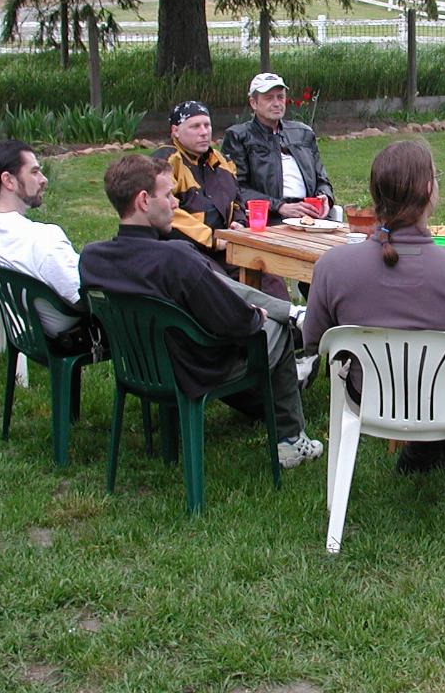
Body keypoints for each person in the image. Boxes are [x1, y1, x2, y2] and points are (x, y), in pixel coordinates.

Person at [79, 154, 322, 468]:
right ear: (143, 201)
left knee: (229, 291)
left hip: (139, 367)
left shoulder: (93, 258)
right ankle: (290, 440)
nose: (176, 205)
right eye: (168, 196)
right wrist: (256, 317)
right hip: (197, 368)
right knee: (275, 329)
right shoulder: (176, 258)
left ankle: (288, 313)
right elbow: (237, 322)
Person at [302, 139, 445, 473]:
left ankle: (425, 452)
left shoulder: (333, 266)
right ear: (430, 190)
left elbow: (313, 341)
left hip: (366, 396)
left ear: (376, 193)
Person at [152, 99, 289, 301]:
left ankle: (289, 325)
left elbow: (236, 199)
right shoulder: (166, 161)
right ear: (175, 131)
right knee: (224, 287)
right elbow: (166, 212)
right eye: (195, 126)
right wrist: (213, 239)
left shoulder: (220, 160)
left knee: (266, 273)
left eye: (207, 125)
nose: (204, 132)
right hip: (188, 250)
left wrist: (239, 222)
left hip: (227, 243)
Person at [0, 139, 90, 343]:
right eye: (34, 172)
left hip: (32, 329)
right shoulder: (42, 239)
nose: (43, 179)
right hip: (72, 331)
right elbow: (80, 295)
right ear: (8, 181)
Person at [220, 72, 334, 223]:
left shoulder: (303, 133)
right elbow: (236, 188)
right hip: (269, 217)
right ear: (253, 103)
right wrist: (280, 206)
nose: (277, 103)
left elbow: (322, 179)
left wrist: (325, 196)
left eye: (280, 97)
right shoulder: (239, 136)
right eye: (269, 98)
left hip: (310, 214)